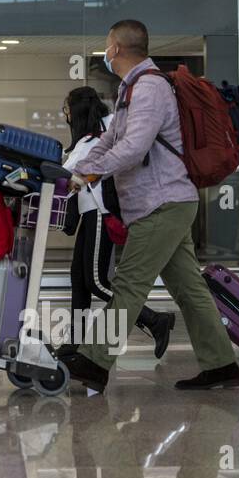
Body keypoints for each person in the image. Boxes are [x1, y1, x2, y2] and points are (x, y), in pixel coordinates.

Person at [57, 20, 239, 393]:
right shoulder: (131, 89)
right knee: (189, 289)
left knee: (128, 284)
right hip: (163, 202)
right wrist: (79, 172)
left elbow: (134, 148)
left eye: (107, 46)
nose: (105, 53)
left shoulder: (151, 87)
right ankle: (221, 366)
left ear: (118, 49)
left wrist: (88, 175)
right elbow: (110, 141)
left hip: (162, 202)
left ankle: (93, 362)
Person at [60, 86, 174, 355]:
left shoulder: (101, 136)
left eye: (66, 110)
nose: (64, 116)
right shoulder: (90, 138)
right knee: (79, 279)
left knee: (97, 282)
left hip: (101, 213)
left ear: (76, 112)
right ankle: (73, 344)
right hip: (89, 215)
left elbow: (68, 172)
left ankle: (154, 319)